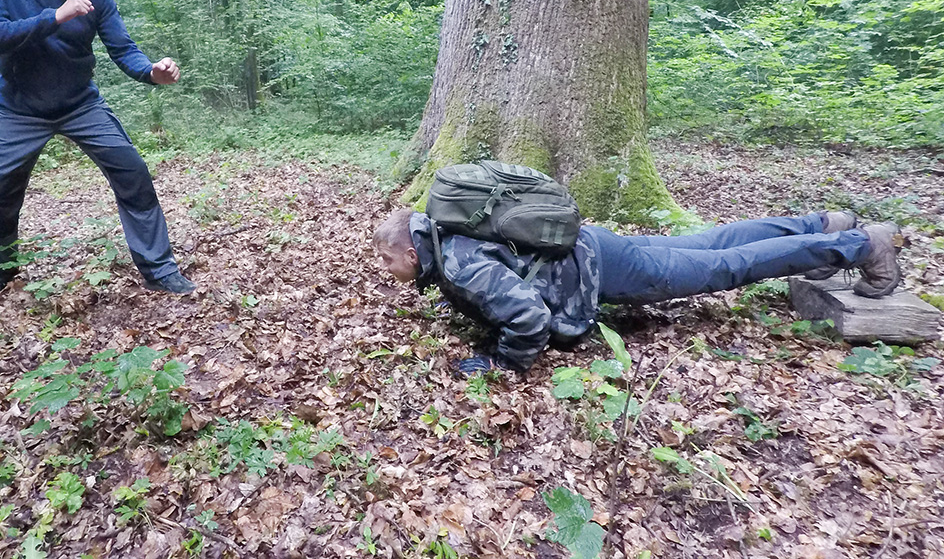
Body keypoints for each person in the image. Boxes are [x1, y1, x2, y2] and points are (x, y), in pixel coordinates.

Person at [0, 0, 195, 302]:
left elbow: (123, 49)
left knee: (133, 174)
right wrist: (55, 16)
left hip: (79, 104)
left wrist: (150, 71)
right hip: (18, 108)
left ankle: (160, 269)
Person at [372, 207, 901, 374]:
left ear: (413, 253)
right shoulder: (443, 231)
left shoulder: (458, 265)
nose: (384, 268)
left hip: (604, 268)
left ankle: (860, 244)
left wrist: (504, 362)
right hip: (595, 247)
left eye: (387, 259)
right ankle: (823, 222)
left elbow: (528, 318)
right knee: (707, 244)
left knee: (724, 267)